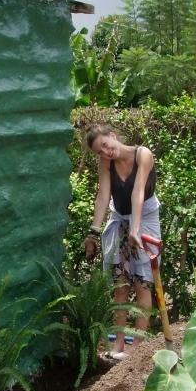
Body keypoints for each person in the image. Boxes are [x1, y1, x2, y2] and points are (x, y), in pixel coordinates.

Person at [81, 124, 159, 360]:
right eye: (99, 151)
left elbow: (138, 192)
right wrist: (93, 232)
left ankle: (137, 346)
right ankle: (118, 346)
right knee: (120, 284)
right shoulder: (105, 162)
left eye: (105, 145)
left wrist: (135, 230)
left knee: (142, 282)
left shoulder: (142, 155)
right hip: (118, 219)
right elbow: (104, 195)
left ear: (112, 136)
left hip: (144, 218)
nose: (105, 152)